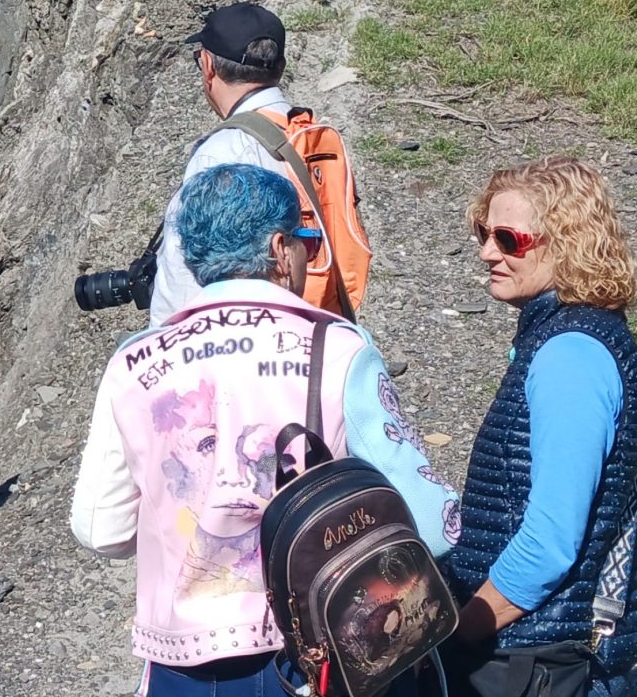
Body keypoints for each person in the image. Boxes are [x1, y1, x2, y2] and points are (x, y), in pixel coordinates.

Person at [72, 164, 455, 697]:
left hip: (181, 666)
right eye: (305, 241)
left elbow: (101, 530)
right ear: (280, 248)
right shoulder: (336, 348)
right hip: (316, 656)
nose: (306, 255)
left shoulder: (133, 362)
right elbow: (432, 525)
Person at [441, 157, 637, 697]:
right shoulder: (567, 335)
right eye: (484, 233)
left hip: (536, 659)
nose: (487, 252)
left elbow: (551, 541)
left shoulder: (571, 357)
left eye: (509, 240)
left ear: (567, 245)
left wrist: (462, 628)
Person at [147, 3, 367, 326]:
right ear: (281, 67)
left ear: (207, 65)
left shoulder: (222, 153)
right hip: (319, 319)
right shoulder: (309, 134)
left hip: (248, 333)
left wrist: (165, 339)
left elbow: (181, 279)